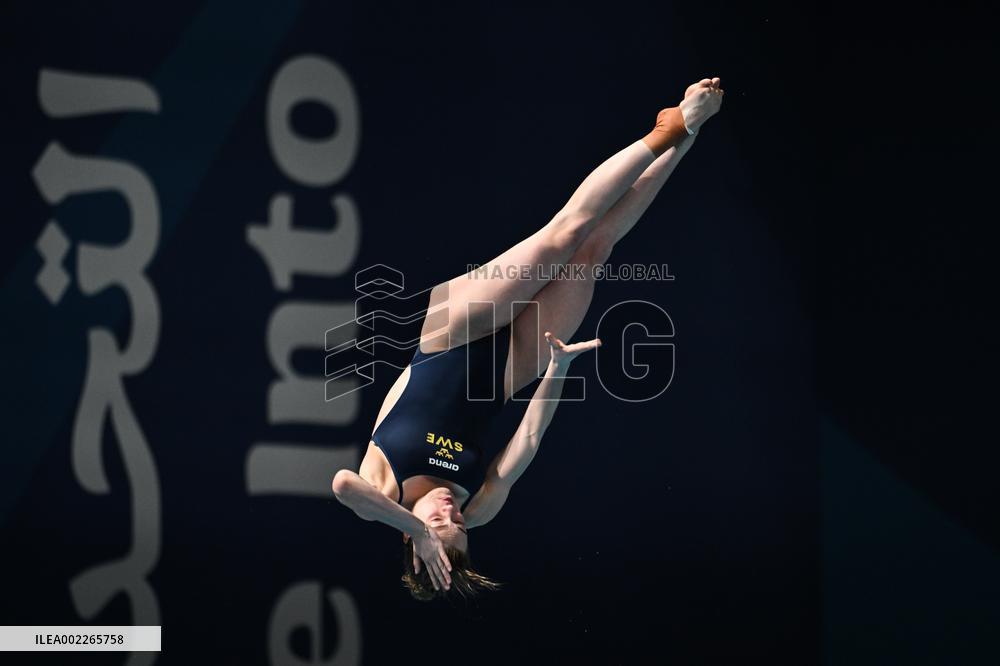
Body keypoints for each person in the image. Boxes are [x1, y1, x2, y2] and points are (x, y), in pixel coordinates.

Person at [332, 77, 724, 600]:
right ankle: (689, 132)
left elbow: (342, 486)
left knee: (562, 235)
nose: (451, 514)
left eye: (440, 524)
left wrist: (418, 527)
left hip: (449, 336)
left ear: (413, 537)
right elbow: (529, 440)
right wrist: (558, 369)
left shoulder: (383, 489)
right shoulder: (480, 508)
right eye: (459, 529)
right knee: (594, 249)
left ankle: (665, 127)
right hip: (515, 366)